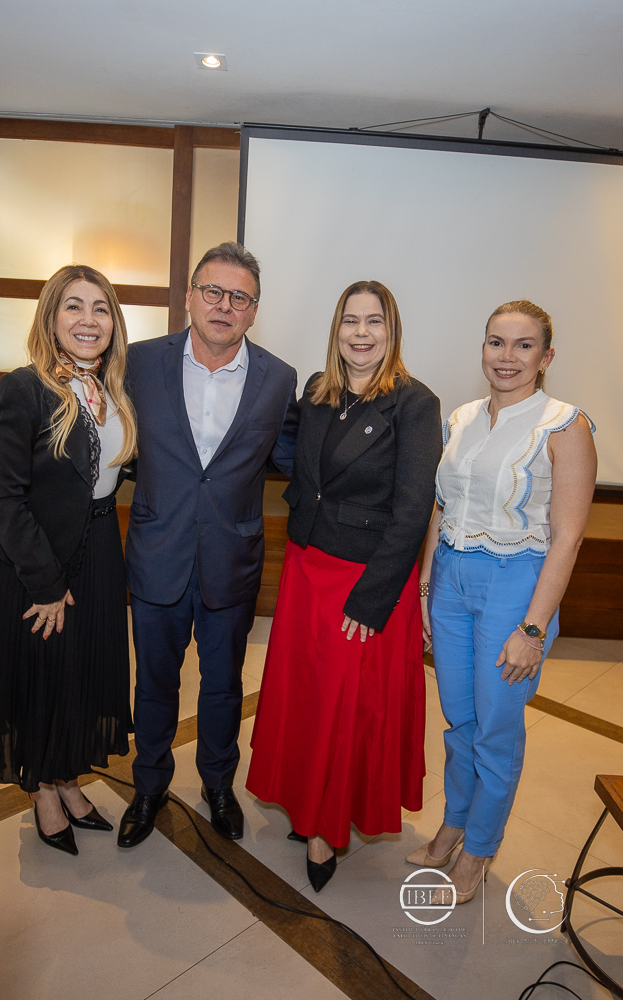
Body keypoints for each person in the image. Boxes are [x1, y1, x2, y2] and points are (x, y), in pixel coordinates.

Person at [246, 280, 442, 892]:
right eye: (350, 321)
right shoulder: (318, 391)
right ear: (336, 330)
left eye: (373, 321)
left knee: (343, 708)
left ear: (392, 330)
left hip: (364, 580)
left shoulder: (414, 403)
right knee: (306, 697)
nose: (361, 333)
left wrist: (374, 598)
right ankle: (305, 803)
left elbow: (413, 511)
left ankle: (325, 829)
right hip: (306, 566)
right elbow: (291, 459)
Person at [409, 299, 597, 903]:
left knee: (495, 726)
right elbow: (441, 507)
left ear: (546, 356)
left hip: (517, 586)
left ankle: (480, 849)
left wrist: (533, 629)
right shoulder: (461, 418)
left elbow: (568, 536)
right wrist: (426, 586)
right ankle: (454, 825)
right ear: (483, 348)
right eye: (496, 342)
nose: (507, 356)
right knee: (459, 718)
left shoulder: (565, 426)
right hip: (451, 578)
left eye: (523, 345)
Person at [118, 242, 299, 849]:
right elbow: (114, 438)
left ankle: (219, 786)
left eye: (239, 297)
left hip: (232, 560)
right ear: (191, 297)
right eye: (213, 292)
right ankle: (149, 787)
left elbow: (294, 458)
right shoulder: (141, 362)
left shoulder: (278, 378)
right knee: (154, 683)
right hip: (157, 552)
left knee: (223, 686)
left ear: (254, 311)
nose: (224, 305)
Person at [0, 264, 136, 855]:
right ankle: (42, 788)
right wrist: (45, 583)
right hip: (35, 561)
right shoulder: (22, 388)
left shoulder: (114, 390)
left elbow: (110, 471)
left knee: (81, 674)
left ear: (114, 323)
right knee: (42, 677)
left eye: (100, 308)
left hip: (99, 551)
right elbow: (5, 501)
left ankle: (66, 778)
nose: (89, 320)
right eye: (74, 306)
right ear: (51, 317)